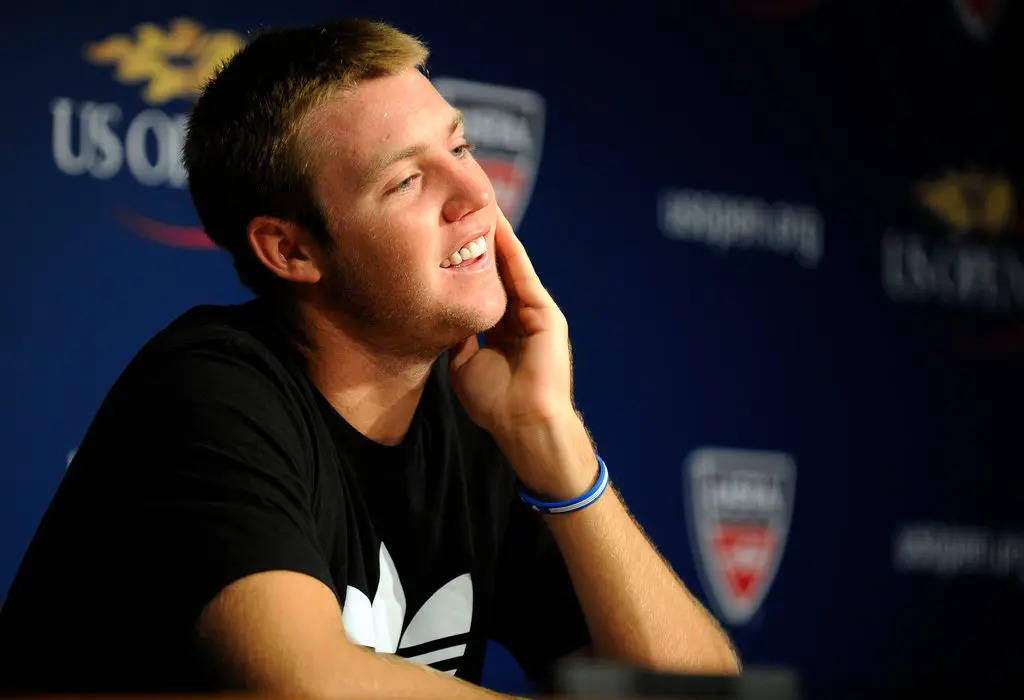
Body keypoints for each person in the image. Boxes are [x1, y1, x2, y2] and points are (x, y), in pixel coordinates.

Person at [0, 18, 739, 697]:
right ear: (291, 249)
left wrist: (555, 439)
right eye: (408, 180)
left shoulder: (475, 417)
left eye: (458, 147)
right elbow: (306, 684)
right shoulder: (207, 391)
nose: (476, 194)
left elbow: (698, 694)